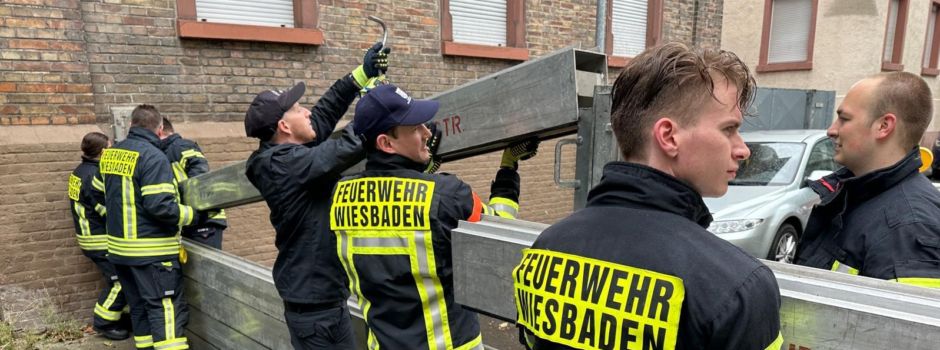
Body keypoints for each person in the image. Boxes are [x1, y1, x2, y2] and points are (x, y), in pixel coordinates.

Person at [512, 43, 782, 349]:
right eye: (729, 129)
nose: (742, 149)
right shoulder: (738, 288)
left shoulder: (546, 248)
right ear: (668, 137)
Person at [328, 83, 539, 350]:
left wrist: (421, 168)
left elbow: (390, 223)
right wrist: (508, 166)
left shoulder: (339, 196)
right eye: (415, 127)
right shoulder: (448, 195)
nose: (427, 132)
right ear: (386, 143)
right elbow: (500, 230)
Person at [244, 42, 390, 349]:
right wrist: (374, 107)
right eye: (298, 109)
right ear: (284, 125)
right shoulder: (281, 165)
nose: (307, 111)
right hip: (312, 310)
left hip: (328, 299)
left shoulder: (288, 152)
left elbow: (322, 117)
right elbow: (342, 150)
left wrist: (360, 77)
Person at [795, 72, 940, 287]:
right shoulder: (856, 195)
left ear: (884, 126)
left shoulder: (910, 228)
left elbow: (902, 319)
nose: (831, 130)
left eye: (844, 119)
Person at [99, 104, 200, 350]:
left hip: (120, 252)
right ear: (160, 128)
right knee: (164, 307)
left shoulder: (112, 154)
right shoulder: (154, 157)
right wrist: (192, 215)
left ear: (131, 124)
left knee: (139, 306)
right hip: (150, 252)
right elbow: (161, 207)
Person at [69, 132, 130, 340]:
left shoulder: (79, 171)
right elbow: (105, 209)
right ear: (104, 151)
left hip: (89, 237)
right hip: (99, 240)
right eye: (111, 146)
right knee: (120, 281)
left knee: (117, 280)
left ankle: (119, 317)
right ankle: (104, 323)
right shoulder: (94, 176)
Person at [158, 117, 228, 249]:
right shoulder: (164, 152)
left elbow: (201, 177)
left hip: (204, 221)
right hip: (190, 219)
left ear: (160, 131)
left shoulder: (181, 146)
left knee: (207, 267)